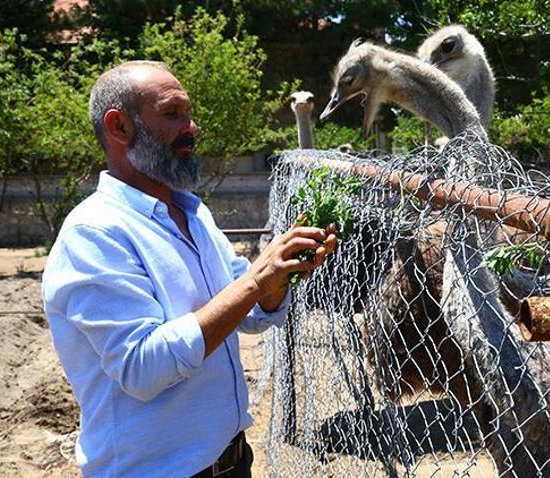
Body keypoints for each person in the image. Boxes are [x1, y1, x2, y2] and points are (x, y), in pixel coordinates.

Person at [42, 60, 336, 477]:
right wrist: (256, 280)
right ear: (120, 127)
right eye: (172, 114)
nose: (192, 127)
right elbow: (143, 369)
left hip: (231, 461)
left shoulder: (190, 212)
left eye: (188, 113)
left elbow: (247, 311)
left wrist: (280, 272)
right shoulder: (94, 234)